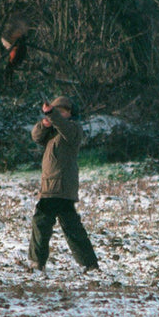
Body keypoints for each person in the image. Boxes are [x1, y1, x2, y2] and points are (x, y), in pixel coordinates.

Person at [28, 96, 99, 273]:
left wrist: (52, 114)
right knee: (70, 225)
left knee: (42, 222)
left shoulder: (73, 129)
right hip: (51, 186)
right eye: (55, 111)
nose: (57, 114)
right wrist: (44, 124)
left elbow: (64, 126)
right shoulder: (52, 131)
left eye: (61, 112)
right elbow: (36, 136)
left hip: (60, 186)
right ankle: (89, 264)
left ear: (69, 113)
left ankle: (37, 262)